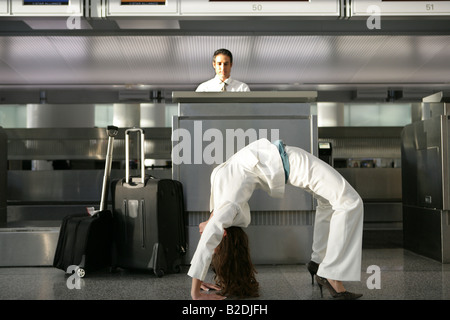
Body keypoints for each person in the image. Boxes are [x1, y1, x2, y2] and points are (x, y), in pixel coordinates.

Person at [188, 138, 364, 300]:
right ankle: (332, 274)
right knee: (350, 201)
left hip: (289, 163)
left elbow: (212, 233)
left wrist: (199, 275)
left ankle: (318, 262)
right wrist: (195, 292)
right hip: (293, 162)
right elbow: (211, 236)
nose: (211, 249)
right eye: (216, 249)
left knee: (327, 202)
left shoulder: (221, 205)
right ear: (223, 234)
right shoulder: (229, 206)